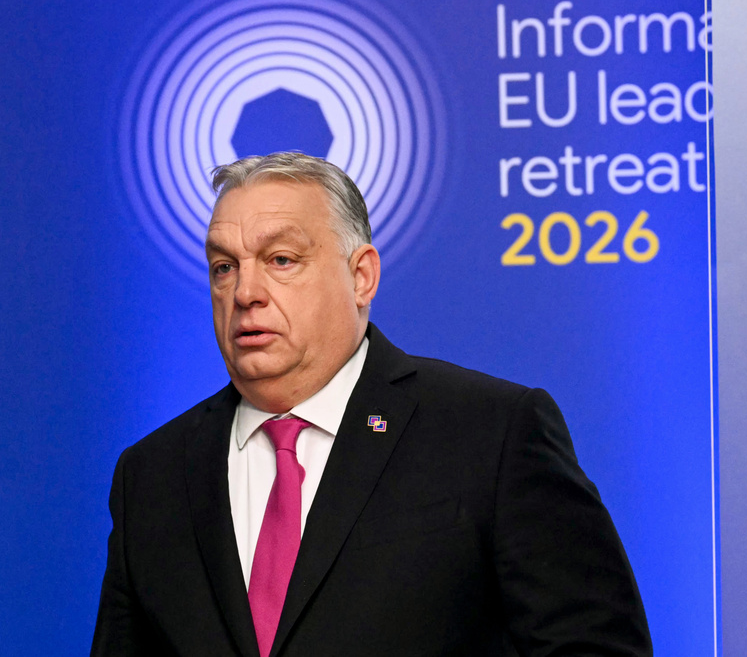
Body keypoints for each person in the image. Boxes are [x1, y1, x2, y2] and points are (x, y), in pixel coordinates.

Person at [91, 152, 651, 656]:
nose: (245, 292)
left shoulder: (491, 433)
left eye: (280, 259)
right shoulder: (151, 476)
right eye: (224, 267)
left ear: (361, 277)